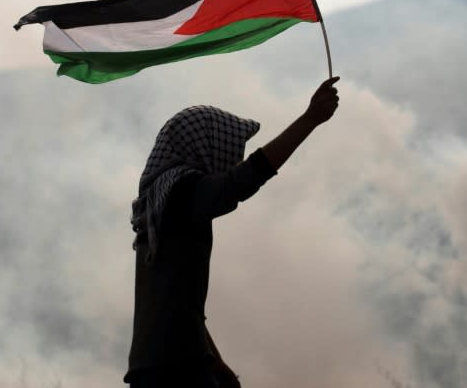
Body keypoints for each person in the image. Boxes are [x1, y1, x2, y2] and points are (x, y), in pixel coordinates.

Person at [123, 77, 341, 387]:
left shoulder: (159, 207)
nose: (230, 159)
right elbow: (244, 179)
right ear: (204, 144)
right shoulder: (181, 194)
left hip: (158, 366)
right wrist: (309, 120)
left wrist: (215, 360)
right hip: (177, 370)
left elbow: (180, 305)